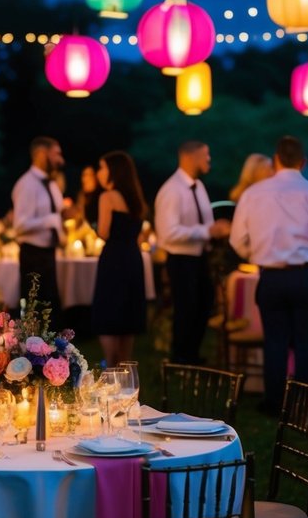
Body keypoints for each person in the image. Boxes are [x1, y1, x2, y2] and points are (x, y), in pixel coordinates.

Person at [230, 135, 308, 414]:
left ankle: (274, 402)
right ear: (303, 162)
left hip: (271, 277)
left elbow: (237, 240)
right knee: (307, 342)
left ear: (275, 161)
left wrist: (257, 253)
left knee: (275, 341)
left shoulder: (253, 194)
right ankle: (304, 403)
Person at [154, 140, 231, 365]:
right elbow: (168, 233)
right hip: (181, 259)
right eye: (206, 155)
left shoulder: (198, 186)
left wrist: (217, 230)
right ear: (190, 158)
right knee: (186, 308)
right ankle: (181, 357)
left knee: (203, 305)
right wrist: (208, 230)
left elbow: (205, 222)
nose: (209, 160)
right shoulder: (172, 190)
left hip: (199, 257)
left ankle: (192, 354)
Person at [91, 151, 148, 366]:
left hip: (114, 258)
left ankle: (111, 362)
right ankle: (125, 368)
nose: (99, 173)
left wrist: (95, 227)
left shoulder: (108, 197)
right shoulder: (136, 200)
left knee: (109, 309)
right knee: (126, 313)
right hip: (132, 258)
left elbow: (104, 232)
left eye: (102, 167)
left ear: (113, 171)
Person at [12, 136, 67, 318]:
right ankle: (30, 345)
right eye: (56, 154)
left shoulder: (51, 184)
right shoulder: (27, 184)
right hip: (32, 255)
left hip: (49, 253)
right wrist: (47, 222)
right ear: (42, 155)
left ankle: (53, 345)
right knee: (33, 308)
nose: (61, 159)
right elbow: (19, 225)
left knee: (50, 306)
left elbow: (56, 214)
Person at [75, 165, 101, 230]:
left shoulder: (101, 196)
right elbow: (80, 217)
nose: (85, 178)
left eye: (89, 175)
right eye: (83, 175)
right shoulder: (82, 194)